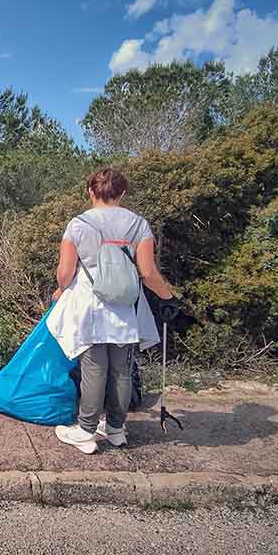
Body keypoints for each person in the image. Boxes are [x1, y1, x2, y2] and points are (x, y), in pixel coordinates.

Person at [47, 168, 182, 454]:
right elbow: (147, 272)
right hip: (124, 304)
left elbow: (65, 272)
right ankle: (116, 429)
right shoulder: (138, 225)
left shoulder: (78, 224)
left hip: (90, 302)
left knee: (94, 367)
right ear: (122, 194)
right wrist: (168, 297)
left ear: (90, 192)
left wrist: (61, 288)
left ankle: (85, 431)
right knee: (121, 369)